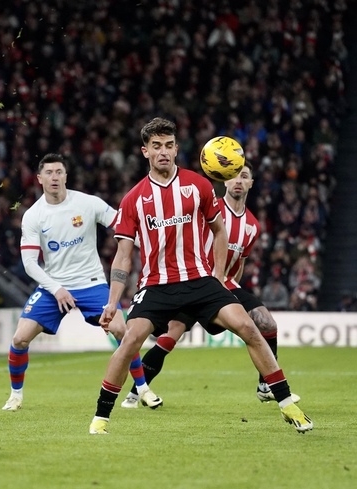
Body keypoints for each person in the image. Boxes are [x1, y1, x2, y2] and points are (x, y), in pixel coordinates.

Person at [89, 118, 312, 435]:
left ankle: (288, 404)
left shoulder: (198, 185)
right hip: (157, 285)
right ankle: (100, 418)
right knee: (129, 341)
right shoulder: (133, 199)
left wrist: (219, 277)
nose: (163, 152)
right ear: (145, 151)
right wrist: (113, 302)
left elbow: (219, 232)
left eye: (168, 145)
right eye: (156, 146)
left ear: (176, 149)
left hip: (201, 281)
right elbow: (123, 255)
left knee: (249, 326)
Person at [120, 161, 300, 407]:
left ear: (251, 184)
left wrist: (228, 290)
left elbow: (239, 263)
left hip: (220, 286)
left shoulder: (252, 226)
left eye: (244, 176)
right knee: (171, 335)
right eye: (234, 176)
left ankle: (265, 385)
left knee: (266, 322)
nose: (238, 181)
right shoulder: (209, 206)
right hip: (192, 278)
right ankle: (135, 392)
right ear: (224, 179)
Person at [2, 153, 162, 412]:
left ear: (66, 176)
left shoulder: (88, 203)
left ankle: (142, 389)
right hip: (53, 286)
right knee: (20, 338)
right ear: (40, 179)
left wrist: (150, 246)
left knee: (124, 332)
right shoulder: (33, 216)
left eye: (59, 172)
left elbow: (121, 226)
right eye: (49, 173)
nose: (55, 177)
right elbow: (30, 262)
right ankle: (15, 396)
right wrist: (56, 289)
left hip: (92, 283)